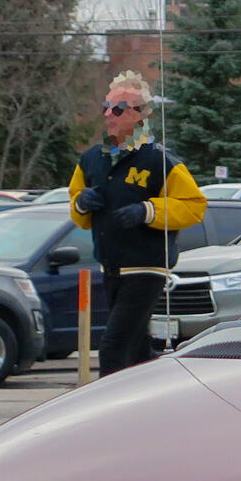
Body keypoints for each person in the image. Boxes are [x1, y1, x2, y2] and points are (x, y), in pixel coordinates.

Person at [68, 70, 207, 376]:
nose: (108, 114)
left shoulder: (159, 159)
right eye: (106, 106)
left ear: (141, 115)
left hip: (146, 267)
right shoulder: (92, 159)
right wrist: (81, 202)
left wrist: (148, 211)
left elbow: (194, 206)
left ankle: (107, 412)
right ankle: (151, 404)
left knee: (114, 345)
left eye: (118, 109)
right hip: (111, 267)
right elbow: (76, 207)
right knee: (136, 349)